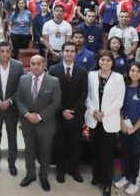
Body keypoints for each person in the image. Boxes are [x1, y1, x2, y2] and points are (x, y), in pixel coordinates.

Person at [16, 55, 61, 192]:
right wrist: (27, 114)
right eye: (33, 64)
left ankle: (43, 176)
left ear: (44, 64)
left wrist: (40, 116)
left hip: (46, 123)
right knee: (29, 151)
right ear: (29, 64)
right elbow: (19, 100)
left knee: (45, 152)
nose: (35, 67)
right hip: (27, 122)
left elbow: (55, 103)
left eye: (38, 64)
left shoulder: (54, 81)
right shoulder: (23, 79)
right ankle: (30, 175)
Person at [85, 51, 125, 196]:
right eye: (103, 60)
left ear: (112, 62)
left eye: (108, 60)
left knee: (107, 153)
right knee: (95, 150)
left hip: (109, 120)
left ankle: (107, 183)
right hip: (94, 119)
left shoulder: (118, 78)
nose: (105, 63)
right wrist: (94, 111)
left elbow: (119, 101)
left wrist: (104, 113)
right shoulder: (91, 75)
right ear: (99, 61)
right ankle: (97, 176)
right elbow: (87, 97)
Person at [50, 42, 89, 183]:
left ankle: (74, 170)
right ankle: (60, 170)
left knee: (75, 144)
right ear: (62, 52)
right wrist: (62, 110)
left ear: (75, 53)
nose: (69, 53)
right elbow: (52, 94)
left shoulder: (82, 71)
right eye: (66, 50)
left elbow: (84, 94)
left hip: (76, 114)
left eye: (72, 51)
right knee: (59, 144)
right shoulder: (53, 70)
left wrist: (72, 110)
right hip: (59, 114)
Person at [0, 41, 23, 176]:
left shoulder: (18, 66)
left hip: (12, 109)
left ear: (11, 52)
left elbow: (20, 87)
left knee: (12, 137)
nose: (5, 54)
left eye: (7, 51)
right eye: (2, 51)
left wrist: (10, 101)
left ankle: (12, 163)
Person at [113, 64, 140, 195]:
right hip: (124, 126)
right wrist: (122, 124)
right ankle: (126, 176)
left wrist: (134, 128)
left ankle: (135, 182)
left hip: (139, 128)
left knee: (138, 156)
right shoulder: (123, 87)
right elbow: (120, 107)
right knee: (126, 153)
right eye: (132, 70)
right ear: (128, 72)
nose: (135, 73)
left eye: (138, 71)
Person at [41, 4, 72, 68]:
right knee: (51, 71)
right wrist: (53, 53)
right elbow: (45, 41)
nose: (58, 13)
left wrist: (61, 52)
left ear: (63, 13)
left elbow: (68, 41)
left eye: (60, 11)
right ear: (53, 12)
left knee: (63, 71)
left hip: (63, 52)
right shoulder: (47, 24)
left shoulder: (68, 25)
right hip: (51, 51)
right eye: (57, 11)